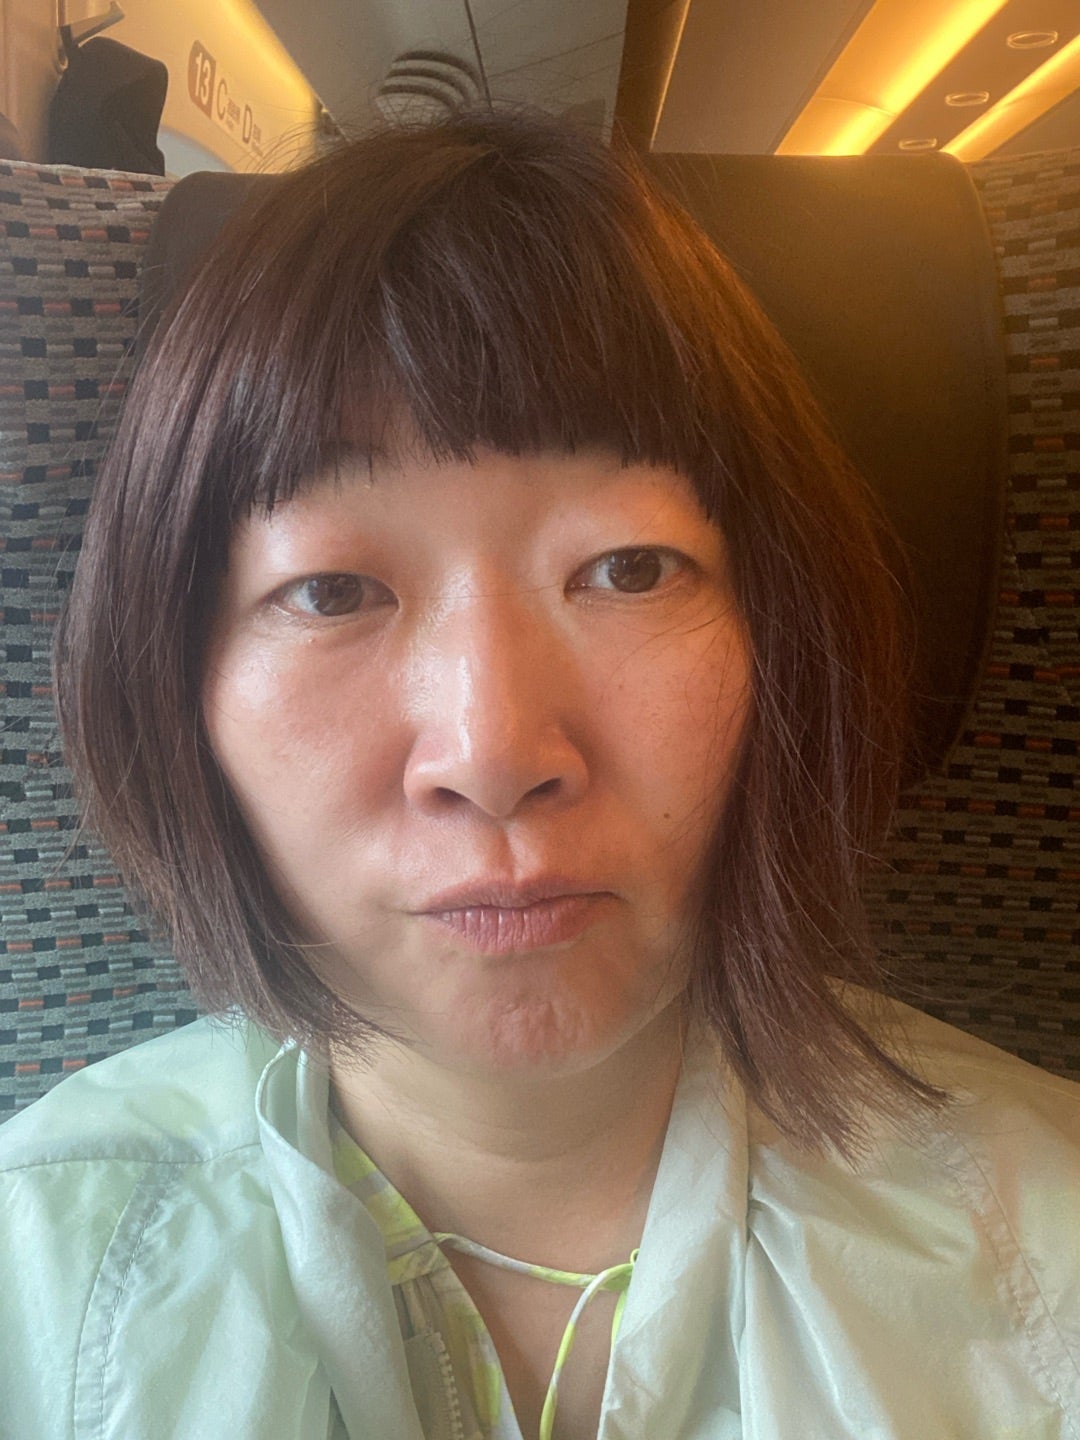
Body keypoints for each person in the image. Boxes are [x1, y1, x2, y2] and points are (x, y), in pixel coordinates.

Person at [1, 108, 1077, 1440]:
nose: (495, 753)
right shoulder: (39, 1275)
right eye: (331, 590)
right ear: (173, 686)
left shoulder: (1052, 1261)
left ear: (783, 647)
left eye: (628, 569)